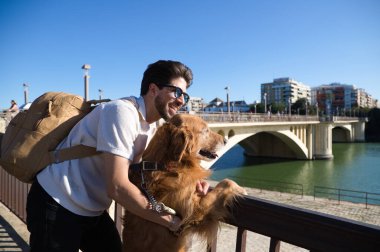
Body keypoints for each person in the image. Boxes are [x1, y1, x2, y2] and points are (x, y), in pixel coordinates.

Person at [26, 60, 210, 252]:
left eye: (185, 96)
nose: (181, 100)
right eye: (177, 92)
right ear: (154, 89)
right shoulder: (121, 112)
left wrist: (193, 186)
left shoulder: (155, 128)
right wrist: (170, 221)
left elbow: (156, 175)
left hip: (92, 208)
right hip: (57, 202)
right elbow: (117, 186)